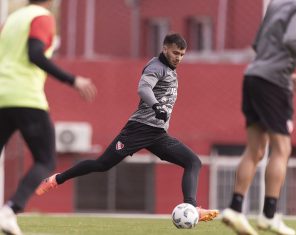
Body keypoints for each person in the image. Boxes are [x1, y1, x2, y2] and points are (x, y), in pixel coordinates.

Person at [36, 33, 219, 222]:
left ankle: (191, 207)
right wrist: (156, 106)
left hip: (158, 134)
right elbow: (143, 89)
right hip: (138, 129)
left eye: (182, 54)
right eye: (175, 53)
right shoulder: (156, 66)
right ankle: (56, 180)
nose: (178, 58)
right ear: (164, 49)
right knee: (102, 164)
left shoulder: (171, 70)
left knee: (193, 162)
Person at [221, 0, 296, 235]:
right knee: (282, 148)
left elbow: (259, 45)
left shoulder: (277, 4)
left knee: (255, 149)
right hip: (273, 83)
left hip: (253, 77)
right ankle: (268, 216)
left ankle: (235, 209)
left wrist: (287, 74)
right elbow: (292, 40)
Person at [0, 0, 97, 234]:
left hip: (2, 95)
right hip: (25, 98)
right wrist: (73, 80)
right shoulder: (42, 17)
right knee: (45, 160)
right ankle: (10, 210)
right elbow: (35, 53)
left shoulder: (12, 20)